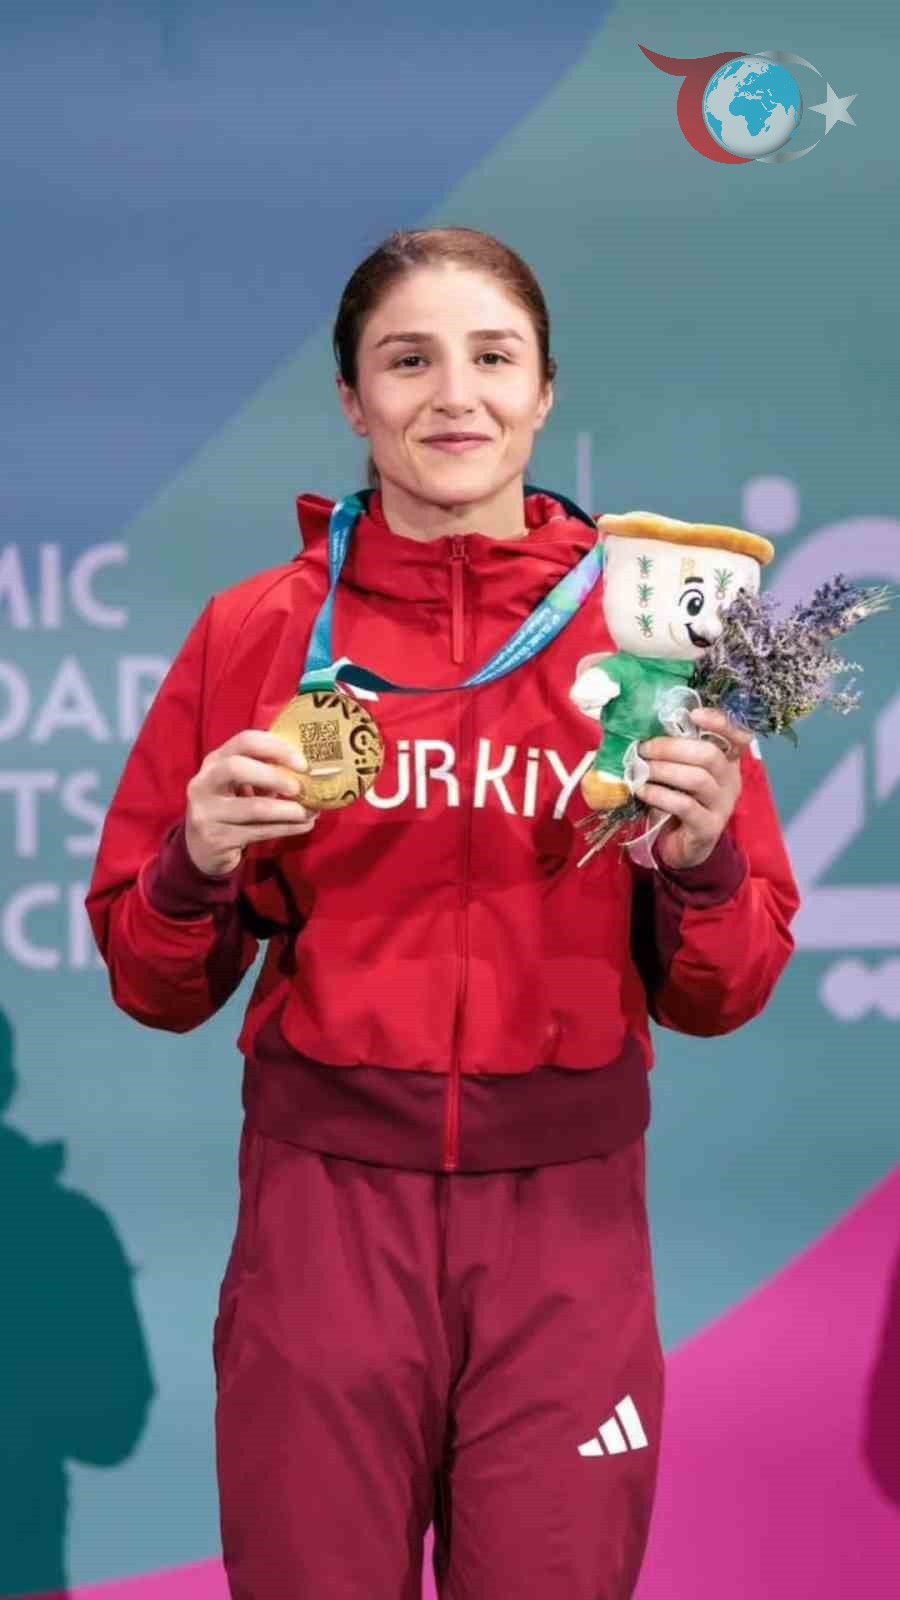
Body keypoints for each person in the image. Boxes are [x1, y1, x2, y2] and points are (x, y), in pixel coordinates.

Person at [85, 226, 801, 1599]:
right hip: (324, 1223)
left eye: (493, 358)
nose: (455, 396)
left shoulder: (656, 638)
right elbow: (149, 979)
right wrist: (195, 864)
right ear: (353, 401)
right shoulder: (257, 631)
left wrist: (704, 864)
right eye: (408, 361)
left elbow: (728, 990)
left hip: (568, 1237)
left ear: (546, 392)